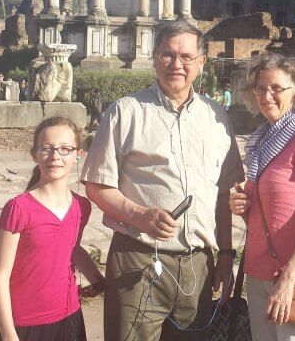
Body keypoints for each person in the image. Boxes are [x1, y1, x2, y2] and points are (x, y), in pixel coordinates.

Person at [80, 20, 243, 341]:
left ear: (201, 63)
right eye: (168, 55)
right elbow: (96, 185)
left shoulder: (217, 117)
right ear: (155, 57)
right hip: (137, 259)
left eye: (186, 56)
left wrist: (225, 254)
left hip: (199, 263)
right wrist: (139, 214)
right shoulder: (124, 113)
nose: (177, 64)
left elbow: (225, 193)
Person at [229, 53, 295, 341]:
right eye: (260, 88)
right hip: (258, 270)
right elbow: (265, 203)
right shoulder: (261, 140)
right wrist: (240, 204)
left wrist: (289, 278)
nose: (267, 95)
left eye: (277, 88)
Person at [0, 117, 105, 341]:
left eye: (65, 149)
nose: (55, 157)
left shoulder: (82, 206)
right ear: (35, 154)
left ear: (77, 154)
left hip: (70, 314)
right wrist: (9, 334)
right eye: (46, 149)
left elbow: (72, 248)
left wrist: (97, 279)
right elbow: (0, 278)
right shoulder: (19, 208)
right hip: (27, 322)